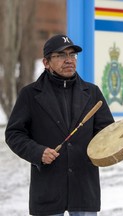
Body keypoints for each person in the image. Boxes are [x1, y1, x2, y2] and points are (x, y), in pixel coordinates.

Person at [5, 34, 114, 216]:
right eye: (61, 55)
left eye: (72, 55)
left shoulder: (92, 93)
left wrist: (110, 148)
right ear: (46, 62)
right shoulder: (30, 94)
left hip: (84, 188)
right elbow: (14, 133)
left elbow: (106, 132)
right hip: (48, 189)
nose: (69, 60)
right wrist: (38, 152)